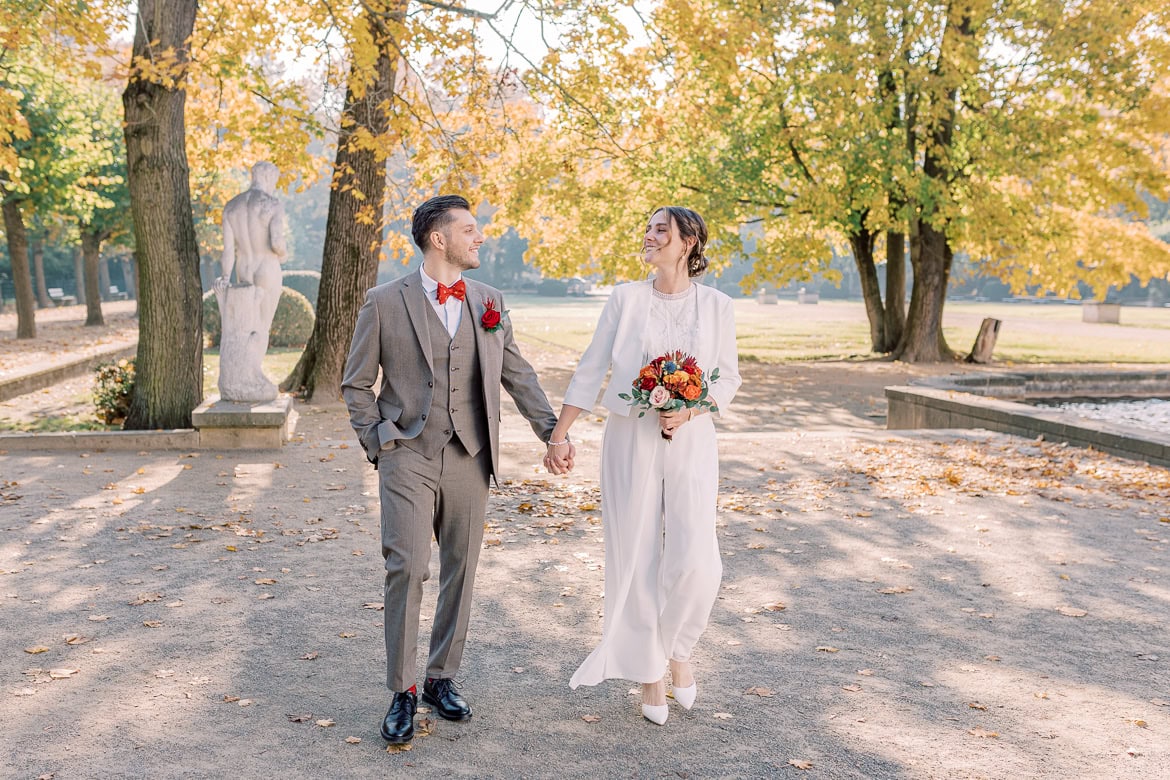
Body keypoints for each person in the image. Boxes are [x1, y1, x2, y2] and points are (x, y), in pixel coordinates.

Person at [341, 195, 572, 744]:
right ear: (438, 239)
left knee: (461, 570)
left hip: (471, 454)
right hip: (408, 454)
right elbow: (355, 383)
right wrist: (379, 442)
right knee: (407, 565)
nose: (480, 238)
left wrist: (552, 434)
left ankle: (440, 679)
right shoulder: (384, 302)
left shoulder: (490, 301)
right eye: (470, 229)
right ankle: (402, 691)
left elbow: (518, 374)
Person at [544, 206, 741, 725]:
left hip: (694, 441)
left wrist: (690, 408)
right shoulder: (625, 299)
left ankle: (677, 648)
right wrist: (560, 433)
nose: (650, 237)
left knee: (699, 560)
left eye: (662, 230)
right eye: (649, 229)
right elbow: (592, 367)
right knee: (633, 555)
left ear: (689, 242)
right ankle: (650, 672)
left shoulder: (718, 306)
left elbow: (727, 381)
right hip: (630, 436)